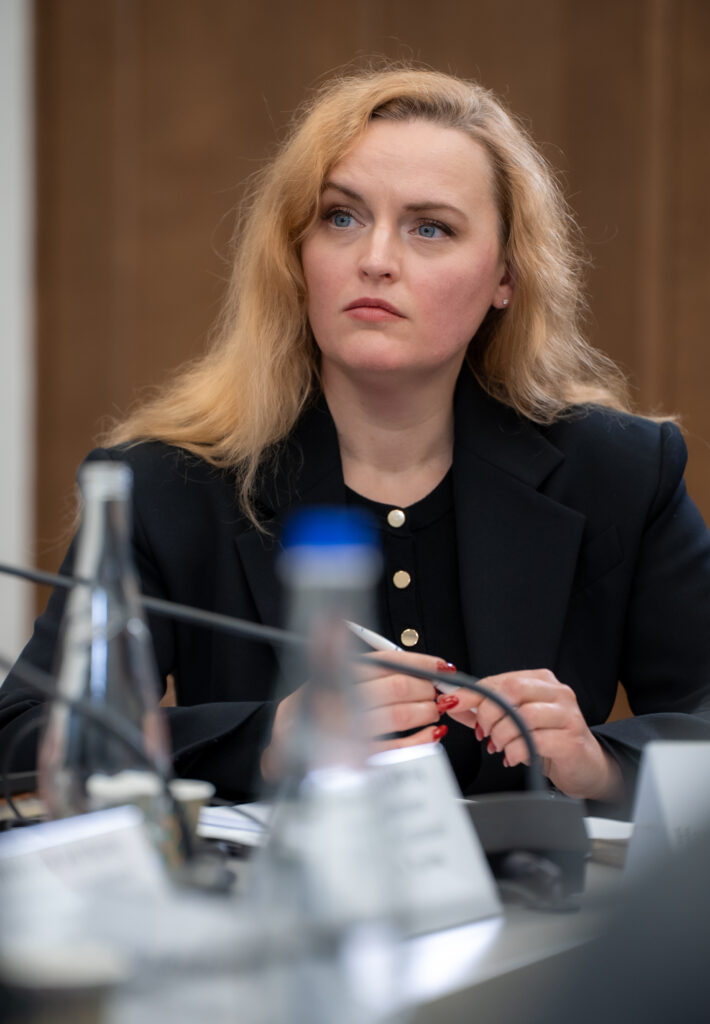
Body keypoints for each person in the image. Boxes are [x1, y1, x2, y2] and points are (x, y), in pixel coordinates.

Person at [1, 65, 709, 810]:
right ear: (296, 255)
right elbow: (20, 738)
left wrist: (603, 765)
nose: (375, 259)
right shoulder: (171, 484)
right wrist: (268, 740)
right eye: (341, 218)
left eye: (430, 228)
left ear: (506, 273)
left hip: (545, 886)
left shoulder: (619, 473)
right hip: (280, 885)